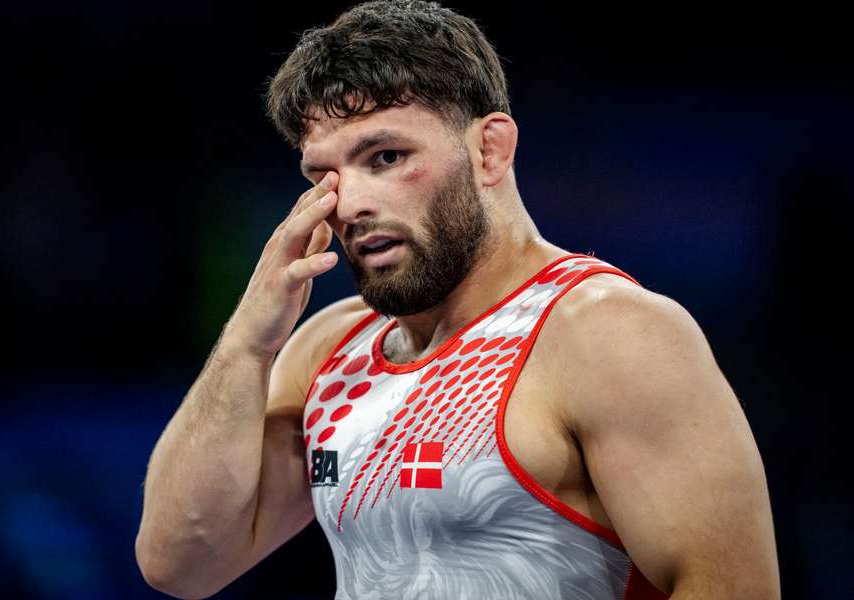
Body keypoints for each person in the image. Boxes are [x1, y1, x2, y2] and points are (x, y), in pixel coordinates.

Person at [135, 1, 780, 598]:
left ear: (489, 149)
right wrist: (249, 340)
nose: (351, 202)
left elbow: (734, 588)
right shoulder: (325, 349)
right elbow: (180, 562)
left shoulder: (611, 334)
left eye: (386, 156)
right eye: (325, 176)